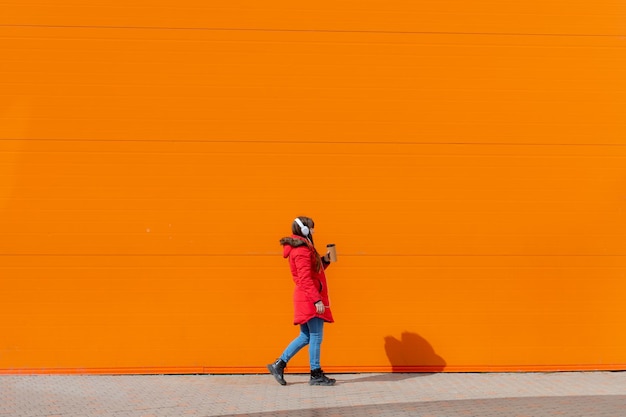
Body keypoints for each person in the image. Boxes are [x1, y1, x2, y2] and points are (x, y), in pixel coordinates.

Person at [267, 216, 336, 386]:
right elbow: (305, 279)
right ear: (304, 230)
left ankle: (279, 364)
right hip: (308, 297)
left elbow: (313, 271)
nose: (313, 231)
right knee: (316, 336)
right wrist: (316, 300)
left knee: (306, 336)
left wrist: (325, 260)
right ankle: (315, 374)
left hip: (306, 296)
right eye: (311, 228)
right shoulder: (302, 250)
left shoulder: (303, 249)